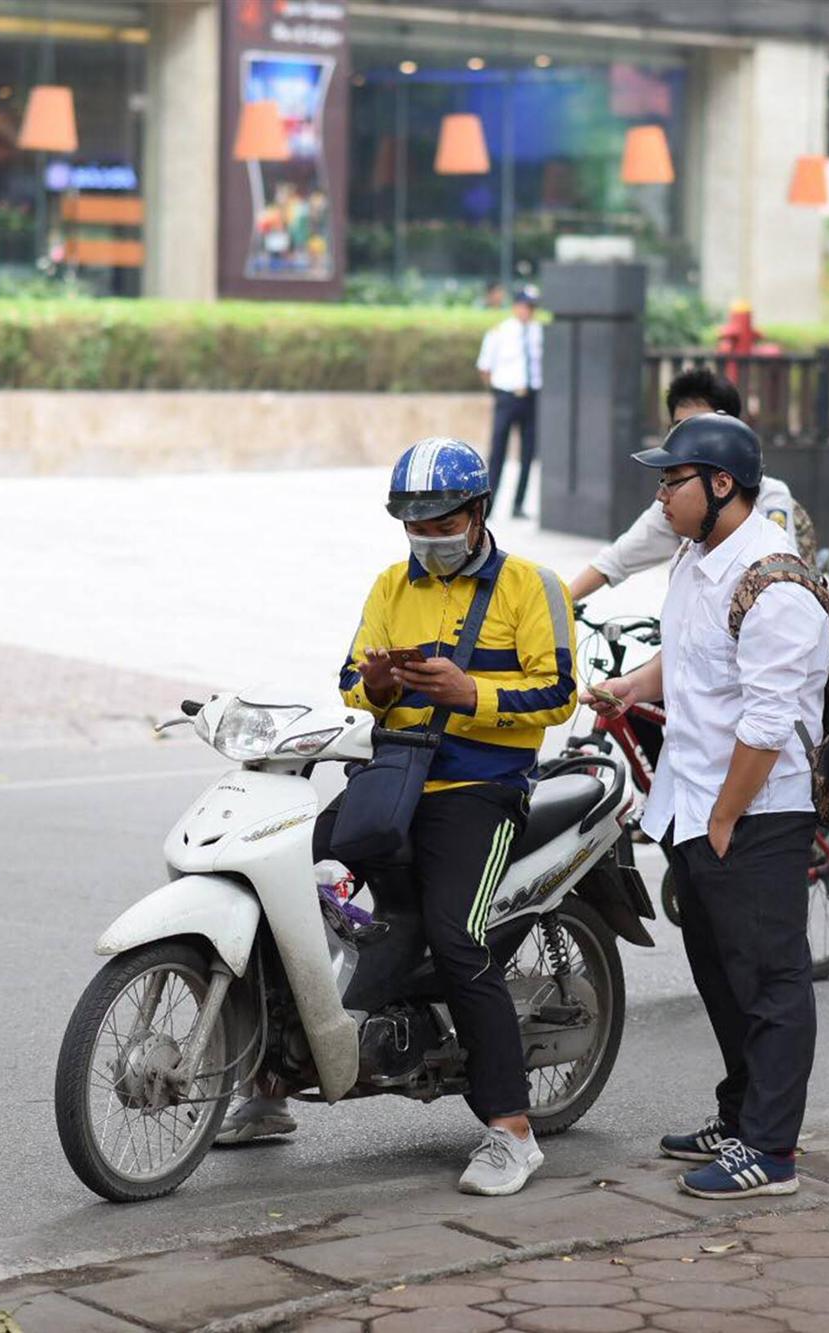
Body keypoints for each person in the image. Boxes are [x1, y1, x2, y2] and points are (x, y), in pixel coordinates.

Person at [218, 437, 578, 1198]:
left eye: (443, 524)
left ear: (478, 513)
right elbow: (352, 681)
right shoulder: (390, 584)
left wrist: (469, 692)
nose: (429, 538)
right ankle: (270, 1087)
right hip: (393, 779)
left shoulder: (531, 585)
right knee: (282, 893)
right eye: (415, 526)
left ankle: (511, 1131)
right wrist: (379, 685)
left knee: (457, 938)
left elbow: (558, 694)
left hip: (481, 791)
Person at [588, 413, 829, 1200]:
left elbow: (767, 725)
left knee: (770, 982)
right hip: (691, 802)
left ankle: (771, 1151)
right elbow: (691, 650)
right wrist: (632, 685)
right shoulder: (698, 559)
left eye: (673, 480)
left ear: (722, 484)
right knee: (723, 975)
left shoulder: (775, 582)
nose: (661, 496)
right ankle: (739, 1116)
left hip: (755, 812)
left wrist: (725, 817)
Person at [567, 368, 816, 603]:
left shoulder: (772, 585)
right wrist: (559, 602)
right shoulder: (682, 543)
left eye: (700, 426)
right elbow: (617, 559)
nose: (685, 438)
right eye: (678, 427)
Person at [477, 287, 543, 519]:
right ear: (516, 306)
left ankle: (518, 504)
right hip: (507, 396)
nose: (528, 311)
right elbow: (485, 367)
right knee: (498, 452)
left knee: (528, 453)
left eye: (532, 307)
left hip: (532, 397)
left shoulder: (539, 332)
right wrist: (497, 392)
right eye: (525, 306)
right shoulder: (500, 332)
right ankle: (489, 505)